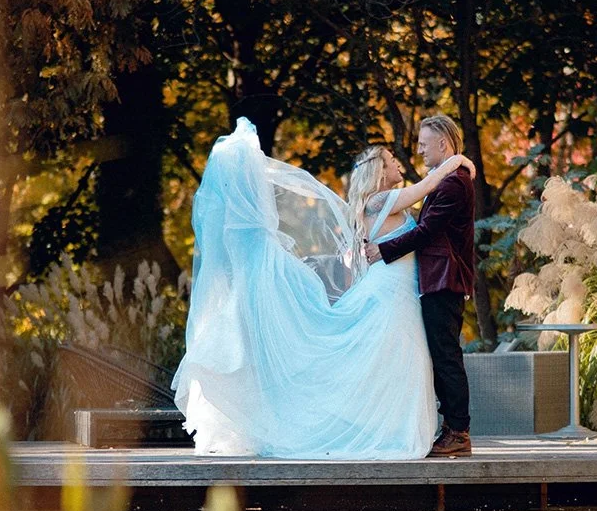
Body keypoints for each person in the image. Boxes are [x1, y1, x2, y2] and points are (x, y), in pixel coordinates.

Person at [172, 117, 473, 459]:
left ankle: (412, 429)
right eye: (391, 161)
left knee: (399, 363)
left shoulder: (381, 201)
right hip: (393, 290)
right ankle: (406, 431)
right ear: (378, 171)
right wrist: (459, 160)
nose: (404, 159)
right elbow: (428, 187)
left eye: (419, 145)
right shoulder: (381, 200)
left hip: (400, 288)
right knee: (398, 361)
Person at [365, 114, 475, 457]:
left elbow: (426, 232)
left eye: (424, 144)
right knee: (442, 355)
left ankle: (458, 431)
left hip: (445, 279)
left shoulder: (454, 182)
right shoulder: (446, 179)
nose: (419, 150)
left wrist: (383, 250)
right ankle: (451, 428)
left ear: (443, 144)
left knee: (446, 356)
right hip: (437, 278)